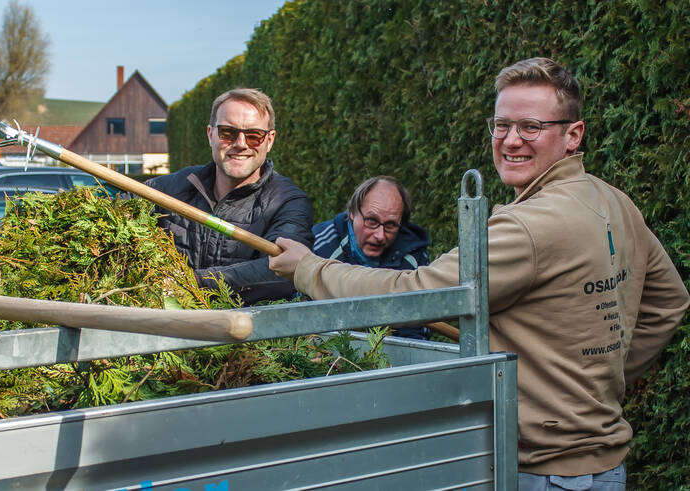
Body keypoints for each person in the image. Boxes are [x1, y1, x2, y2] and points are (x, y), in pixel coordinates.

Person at [269, 57, 689, 489]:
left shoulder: (529, 225)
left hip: (542, 473)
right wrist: (600, 382)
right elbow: (670, 302)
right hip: (603, 470)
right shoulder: (613, 201)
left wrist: (308, 269)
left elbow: (416, 294)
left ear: (573, 135)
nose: (511, 140)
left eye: (531, 126)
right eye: (502, 125)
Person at [136, 88, 313, 305]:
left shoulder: (288, 202)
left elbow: (283, 271)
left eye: (254, 136)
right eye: (228, 133)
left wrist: (191, 282)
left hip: (245, 325)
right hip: (164, 321)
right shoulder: (171, 188)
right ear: (210, 134)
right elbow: (120, 207)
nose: (241, 143)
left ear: (269, 140)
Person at [313, 176, 431, 339]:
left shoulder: (413, 256)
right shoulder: (321, 246)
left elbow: (416, 333)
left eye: (390, 225)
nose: (380, 236)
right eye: (372, 221)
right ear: (352, 212)